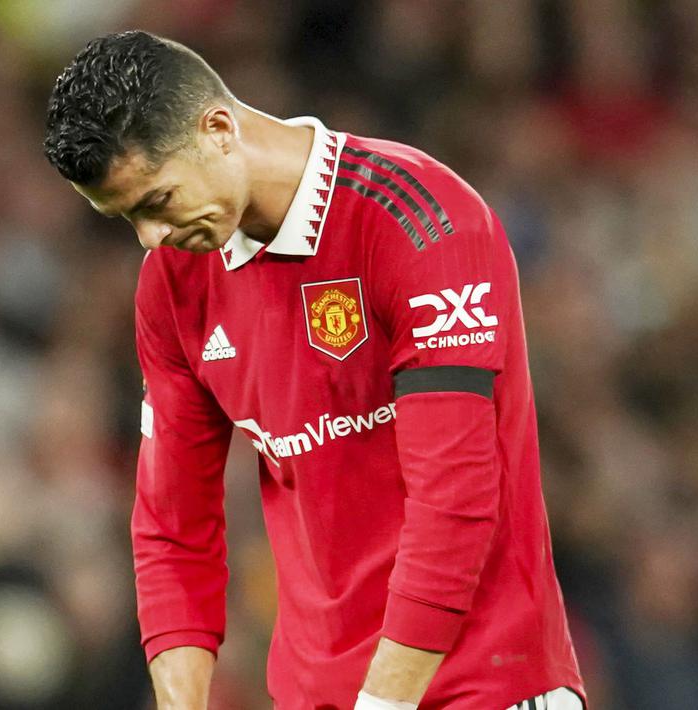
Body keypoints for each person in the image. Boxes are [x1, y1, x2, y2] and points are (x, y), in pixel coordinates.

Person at [43, 31, 584, 710]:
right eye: (123, 218)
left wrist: (382, 704)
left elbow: (454, 502)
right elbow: (173, 529)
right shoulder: (172, 283)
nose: (150, 238)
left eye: (156, 201)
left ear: (217, 130)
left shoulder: (421, 220)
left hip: (486, 686)